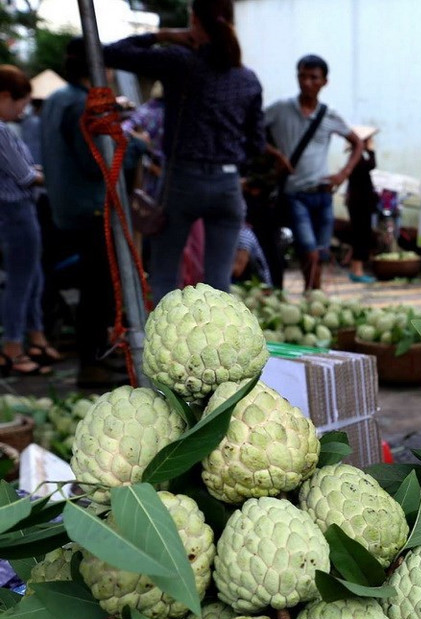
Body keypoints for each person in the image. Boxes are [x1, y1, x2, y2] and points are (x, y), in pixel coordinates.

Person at [103, 0, 266, 302]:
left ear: (194, 20)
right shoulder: (247, 79)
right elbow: (256, 144)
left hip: (182, 180)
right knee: (219, 282)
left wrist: (162, 35)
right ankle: (217, 347)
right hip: (228, 185)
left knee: (165, 274)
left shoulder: (181, 62)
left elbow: (109, 52)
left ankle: (164, 346)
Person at [41, 39, 124, 388]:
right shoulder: (78, 103)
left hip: (63, 204)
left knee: (94, 287)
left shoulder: (56, 99)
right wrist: (129, 150)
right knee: (98, 289)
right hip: (87, 208)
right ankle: (92, 364)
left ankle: (99, 355)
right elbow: (94, 162)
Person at [264, 54, 362, 291]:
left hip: (323, 193)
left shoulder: (329, 115)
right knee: (309, 251)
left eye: (313, 77)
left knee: (321, 252)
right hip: (295, 193)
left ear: (324, 82)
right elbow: (249, 132)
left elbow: (357, 143)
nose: (307, 82)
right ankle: (311, 295)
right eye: (302, 76)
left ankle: (313, 300)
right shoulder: (280, 109)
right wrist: (276, 155)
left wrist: (343, 174)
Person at [0, 65, 57, 377]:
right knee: (21, 282)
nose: (23, 110)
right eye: (20, 102)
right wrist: (55, 178)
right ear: (6, 96)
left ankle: (35, 338)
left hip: (17, 213)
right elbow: (23, 175)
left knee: (32, 277)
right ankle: (13, 349)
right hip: (16, 213)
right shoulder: (1, 130)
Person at [344, 125, 378, 283]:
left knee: (360, 235)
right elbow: (372, 166)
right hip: (359, 204)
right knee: (361, 236)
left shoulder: (357, 157)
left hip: (360, 202)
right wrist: (371, 151)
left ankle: (355, 270)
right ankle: (357, 271)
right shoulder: (357, 157)